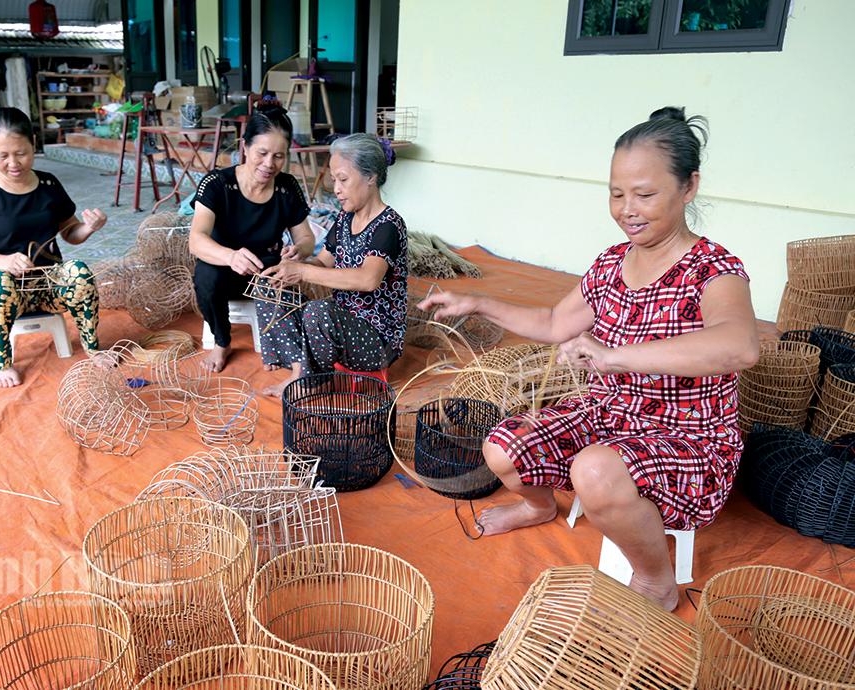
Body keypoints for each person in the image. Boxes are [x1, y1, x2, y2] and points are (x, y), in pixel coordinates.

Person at [420, 107, 759, 611]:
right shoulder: (609, 264)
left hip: (688, 435)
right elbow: (556, 322)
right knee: (502, 445)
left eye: (645, 194)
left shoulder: (713, 268)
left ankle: (655, 578)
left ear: (688, 187)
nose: (628, 209)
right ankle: (537, 508)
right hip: (608, 416)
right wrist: (477, 302)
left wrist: (618, 357)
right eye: (616, 194)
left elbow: (739, 346)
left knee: (596, 470)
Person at [0, 107, 106, 388]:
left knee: (79, 273)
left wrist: (89, 227)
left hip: (48, 285)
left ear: (33, 142)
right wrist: (1, 261)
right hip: (7, 292)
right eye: (3, 156)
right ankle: (1, 361)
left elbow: (70, 233)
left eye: (21, 153)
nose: (13, 163)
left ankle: (93, 347)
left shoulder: (48, 184)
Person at [260, 133, 407, 397]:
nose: (336, 188)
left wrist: (304, 271)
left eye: (343, 180)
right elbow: (322, 262)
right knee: (270, 286)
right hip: (340, 328)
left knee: (318, 312)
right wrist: (295, 263)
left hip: (375, 342)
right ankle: (301, 370)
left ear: (371, 177)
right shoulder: (344, 218)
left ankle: (310, 380)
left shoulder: (389, 226)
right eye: (334, 180)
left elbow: (368, 279)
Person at [188, 102, 316, 373]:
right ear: (244, 147)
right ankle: (222, 342)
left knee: (283, 279)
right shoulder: (217, 184)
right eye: (262, 153)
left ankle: (281, 348)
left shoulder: (287, 187)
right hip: (223, 265)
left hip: (265, 268)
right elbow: (196, 240)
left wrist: (300, 250)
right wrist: (230, 256)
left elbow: (305, 236)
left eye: (279, 156)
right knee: (205, 277)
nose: (269, 164)